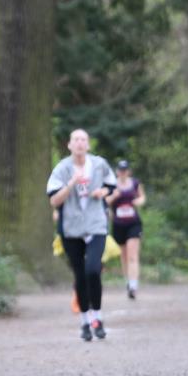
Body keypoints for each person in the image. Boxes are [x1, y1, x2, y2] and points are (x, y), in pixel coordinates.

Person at [46, 129, 117, 341]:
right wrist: (71, 184)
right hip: (71, 228)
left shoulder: (99, 165)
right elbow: (54, 201)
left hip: (96, 225)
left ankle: (98, 317)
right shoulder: (62, 169)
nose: (79, 143)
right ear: (69, 145)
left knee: (93, 270)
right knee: (80, 274)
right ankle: (85, 321)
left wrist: (102, 192)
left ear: (88, 144)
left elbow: (111, 186)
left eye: (83, 140)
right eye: (75, 140)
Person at [105, 160, 145, 299]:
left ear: (128, 171)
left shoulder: (135, 183)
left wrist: (138, 201)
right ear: (117, 171)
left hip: (133, 223)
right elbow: (105, 201)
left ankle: (133, 286)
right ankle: (128, 281)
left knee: (132, 254)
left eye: (125, 170)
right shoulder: (112, 184)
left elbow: (142, 197)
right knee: (124, 255)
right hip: (118, 224)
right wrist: (114, 196)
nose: (123, 172)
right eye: (120, 170)